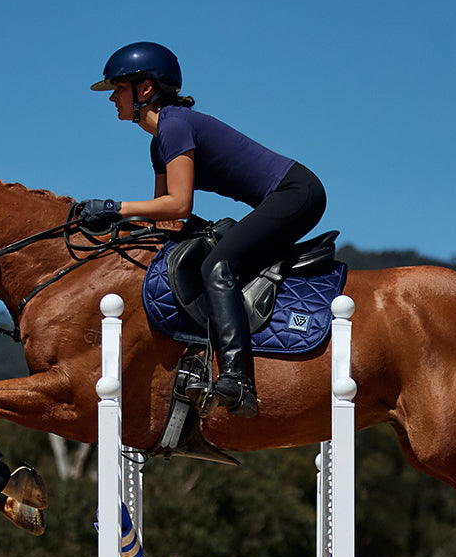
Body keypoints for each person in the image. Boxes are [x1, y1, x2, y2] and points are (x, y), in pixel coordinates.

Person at [80, 42, 327, 418]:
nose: (112, 96)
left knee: (217, 265)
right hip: (283, 195)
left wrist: (114, 207)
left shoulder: (174, 125)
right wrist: (112, 224)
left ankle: (238, 379)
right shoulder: (159, 142)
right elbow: (168, 222)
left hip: (297, 193)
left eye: (118, 87)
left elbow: (178, 204)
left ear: (145, 89)